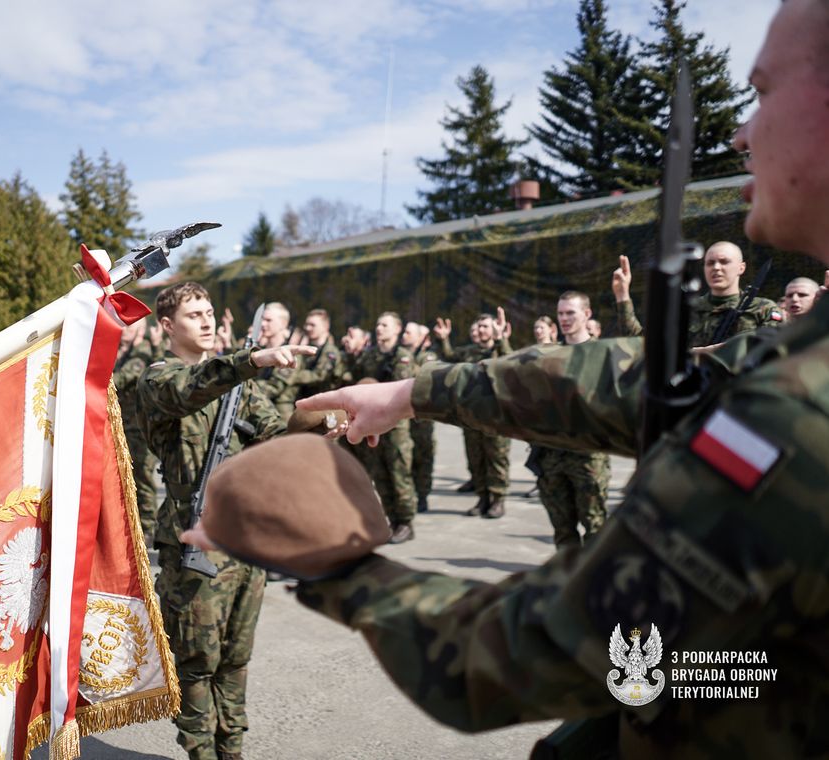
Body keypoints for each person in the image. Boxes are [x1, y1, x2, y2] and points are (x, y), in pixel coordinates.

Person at [186, 4, 829, 753]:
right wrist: (416, 392)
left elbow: (518, 658)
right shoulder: (800, 363)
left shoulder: (797, 421)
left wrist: (319, 557)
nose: (741, 133)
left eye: (762, 91)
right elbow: (656, 381)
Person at [136, 281, 314, 760]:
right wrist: (249, 361)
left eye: (210, 311)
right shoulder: (157, 379)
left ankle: (231, 751)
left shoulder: (240, 387)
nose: (208, 320)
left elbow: (276, 437)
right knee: (196, 665)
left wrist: (328, 424)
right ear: (168, 326)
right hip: (194, 548)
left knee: (235, 660)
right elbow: (188, 390)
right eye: (194, 314)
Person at [535, 292, 610, 549]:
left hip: (588, 457)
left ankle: (592, 584)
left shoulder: (602, 354)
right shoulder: (548, 356)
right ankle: (567, 581)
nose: (565, 319)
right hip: (552, 456)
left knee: (595, 527)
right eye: (561, 313)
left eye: (571, 313)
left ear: (587, 314)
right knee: (562, 529)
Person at [612, 242, 783, 345]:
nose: (716, 267)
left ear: (741, 268)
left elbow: (772, 349)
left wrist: (708, 353)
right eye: (710, 263)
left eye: (724, 262)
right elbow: (641, 343)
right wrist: (622, 295)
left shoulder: (763, 309)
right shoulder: (685, 310)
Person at [435, 311, 513, 518]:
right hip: (471, 416)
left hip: (496, 417)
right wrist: (443, 339)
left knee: (496, 458)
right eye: (478, 327)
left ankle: (498, 499)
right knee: (476, 458)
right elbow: (449, 358)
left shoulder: (500, 351)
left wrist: (501, 339)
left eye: (485, 326)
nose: (480, 330)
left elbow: (510, 364)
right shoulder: (469, 352)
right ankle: (483, 497)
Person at [351, 311, 418, 542]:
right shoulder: (369, 357)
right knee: (379, 473)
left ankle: (406, 522)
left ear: (397, 329)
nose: (380, 328)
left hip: (396, 424)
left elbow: (402, 390)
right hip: (373, 423)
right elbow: (357, 380)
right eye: (378, 324)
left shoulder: (403, 357)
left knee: (399, 473)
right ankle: (392, 519)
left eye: (385, 325)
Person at [112, 319, 161, 539]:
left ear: (141, 330)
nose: (124, 330)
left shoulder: (142, 352)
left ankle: (149, 526)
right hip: (125, 425)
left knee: (142, 475)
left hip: (141, 427)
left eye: (130, 326)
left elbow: (121, 379)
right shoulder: (122, 350)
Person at [401, 321, 437, 513]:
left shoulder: (427, 357)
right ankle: (408, 493)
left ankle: (422, 495)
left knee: (423, 456)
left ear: (419, 338)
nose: (403, 335)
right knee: (405, 457)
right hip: (402, 416)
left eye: (408, 332)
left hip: (421, 417)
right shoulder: (400, 355)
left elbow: (426, 379)